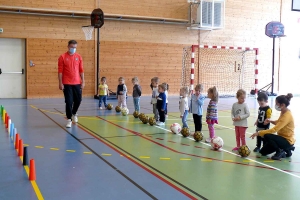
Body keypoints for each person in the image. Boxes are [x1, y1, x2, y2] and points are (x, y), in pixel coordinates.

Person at [250, 93, 295, 160]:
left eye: (277, 103)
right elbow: (279, 122)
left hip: (287, 140)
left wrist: (259, 133)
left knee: (267, 135)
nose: (275, 105)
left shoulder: (287, 115)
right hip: (281, 138)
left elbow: (274, 130)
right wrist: (270, 121)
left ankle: (280, 151)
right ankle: (287, 149)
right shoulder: (283, 111)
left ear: (282, 105)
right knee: (263, 152)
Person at [58, 40, 85, 128]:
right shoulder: (62, 57)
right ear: (68, 47)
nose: (73, 49)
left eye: (75, 47)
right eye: (72, 47)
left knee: (78, 100)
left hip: (77, 82)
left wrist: (83, 81)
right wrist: (60, 83)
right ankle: (69, 119)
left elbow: (81, 70)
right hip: (67, 83)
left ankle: (74, 113)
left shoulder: (79, 57)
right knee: (69, 101)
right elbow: (60, 71)